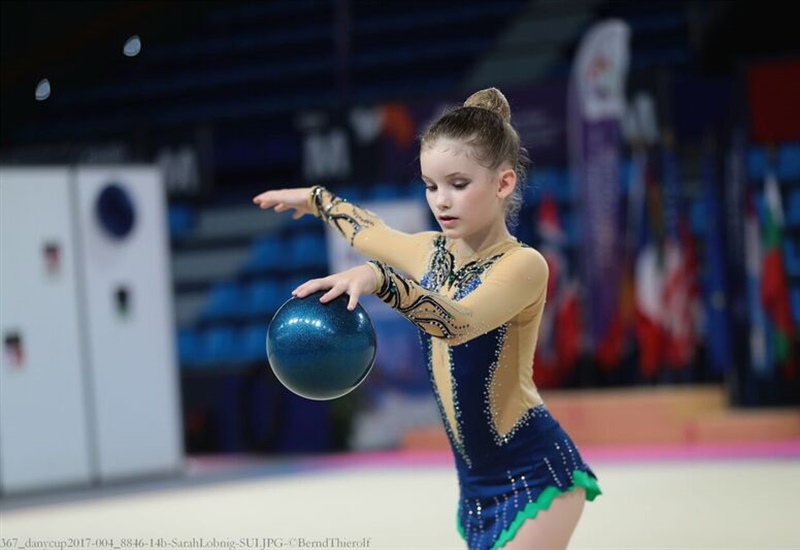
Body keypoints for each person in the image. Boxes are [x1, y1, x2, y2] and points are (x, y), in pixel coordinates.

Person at [253, 87, 601, 550]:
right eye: (431, 185)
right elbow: (371, 231)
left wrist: (383, 280)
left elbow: (458, 323)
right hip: (476, 487)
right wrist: (318, 199)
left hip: (535, 472)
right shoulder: (430, 253)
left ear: (503, 183)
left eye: (458, 184)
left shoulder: (522, 265)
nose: (441, 201)